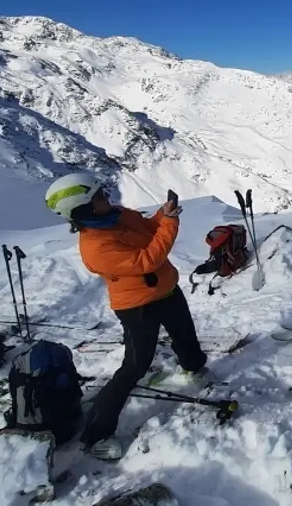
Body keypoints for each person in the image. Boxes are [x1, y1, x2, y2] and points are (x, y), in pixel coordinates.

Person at [45, 172, 209, 461]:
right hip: (136, 306)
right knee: (135, 364)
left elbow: (148, 228)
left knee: (185, 333)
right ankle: (96, 433)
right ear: (83, 208)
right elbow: (148, 260)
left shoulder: (117, 215)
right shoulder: (96, 247)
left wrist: (163, 214)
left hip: (166, 290)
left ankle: (194, 368)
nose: (106, 197)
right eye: (98, 196)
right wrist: (170, 224)